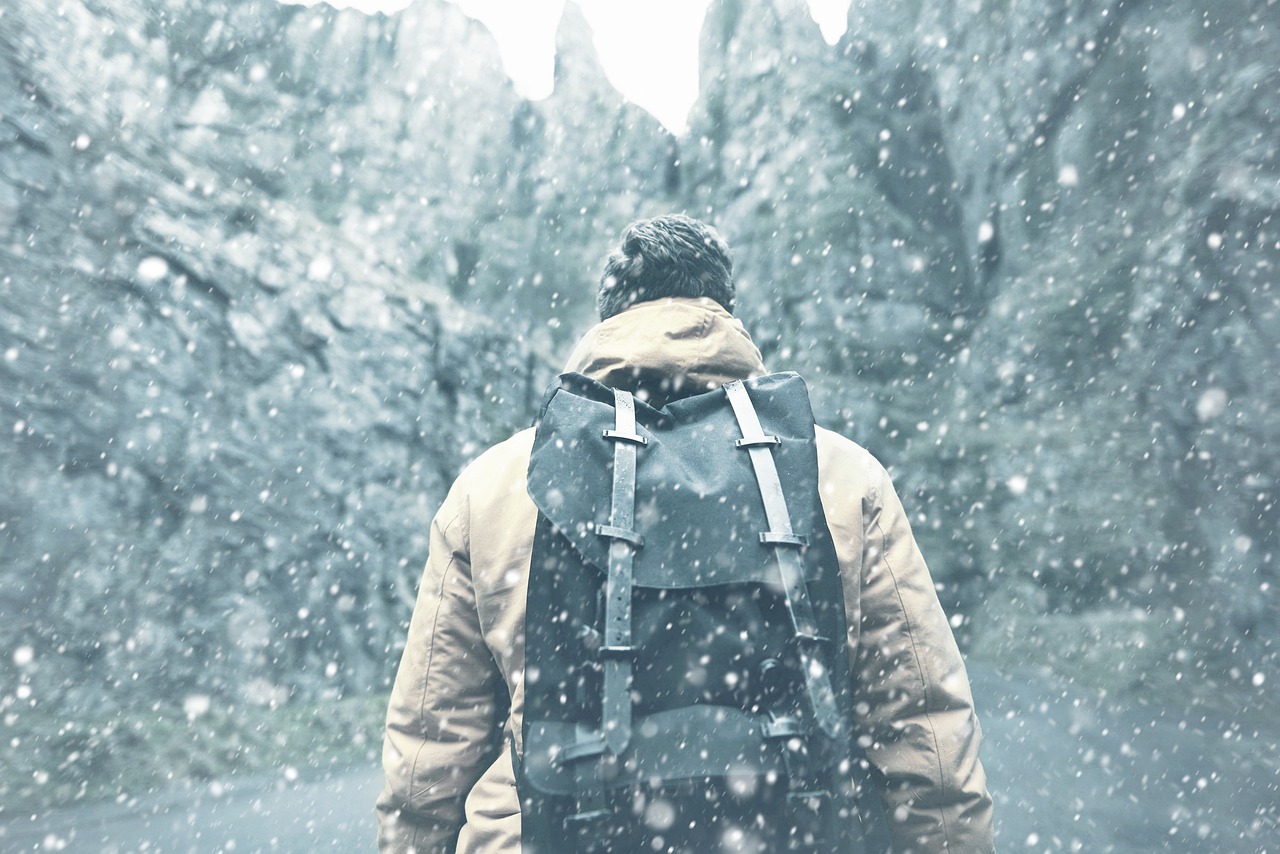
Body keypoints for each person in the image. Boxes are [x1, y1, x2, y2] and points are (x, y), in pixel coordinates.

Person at [376, 214, 995, 853]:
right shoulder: (838, 473)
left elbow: (428, 759)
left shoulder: (497, 485)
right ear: (724, 312)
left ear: (607, 319)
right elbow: (926, 737)